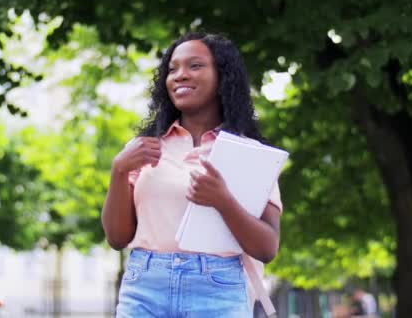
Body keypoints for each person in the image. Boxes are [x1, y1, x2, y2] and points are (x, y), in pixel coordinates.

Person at [102, 32, 283, 317]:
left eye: (195, 66)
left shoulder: (250, 154)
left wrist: (222, 200)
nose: (180, 75)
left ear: (222, 76)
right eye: (172, 69)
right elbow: (116, 238)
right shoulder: (143, 149)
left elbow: (267, 248)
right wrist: (118, 170)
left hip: (217, 290)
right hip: (144, 287)